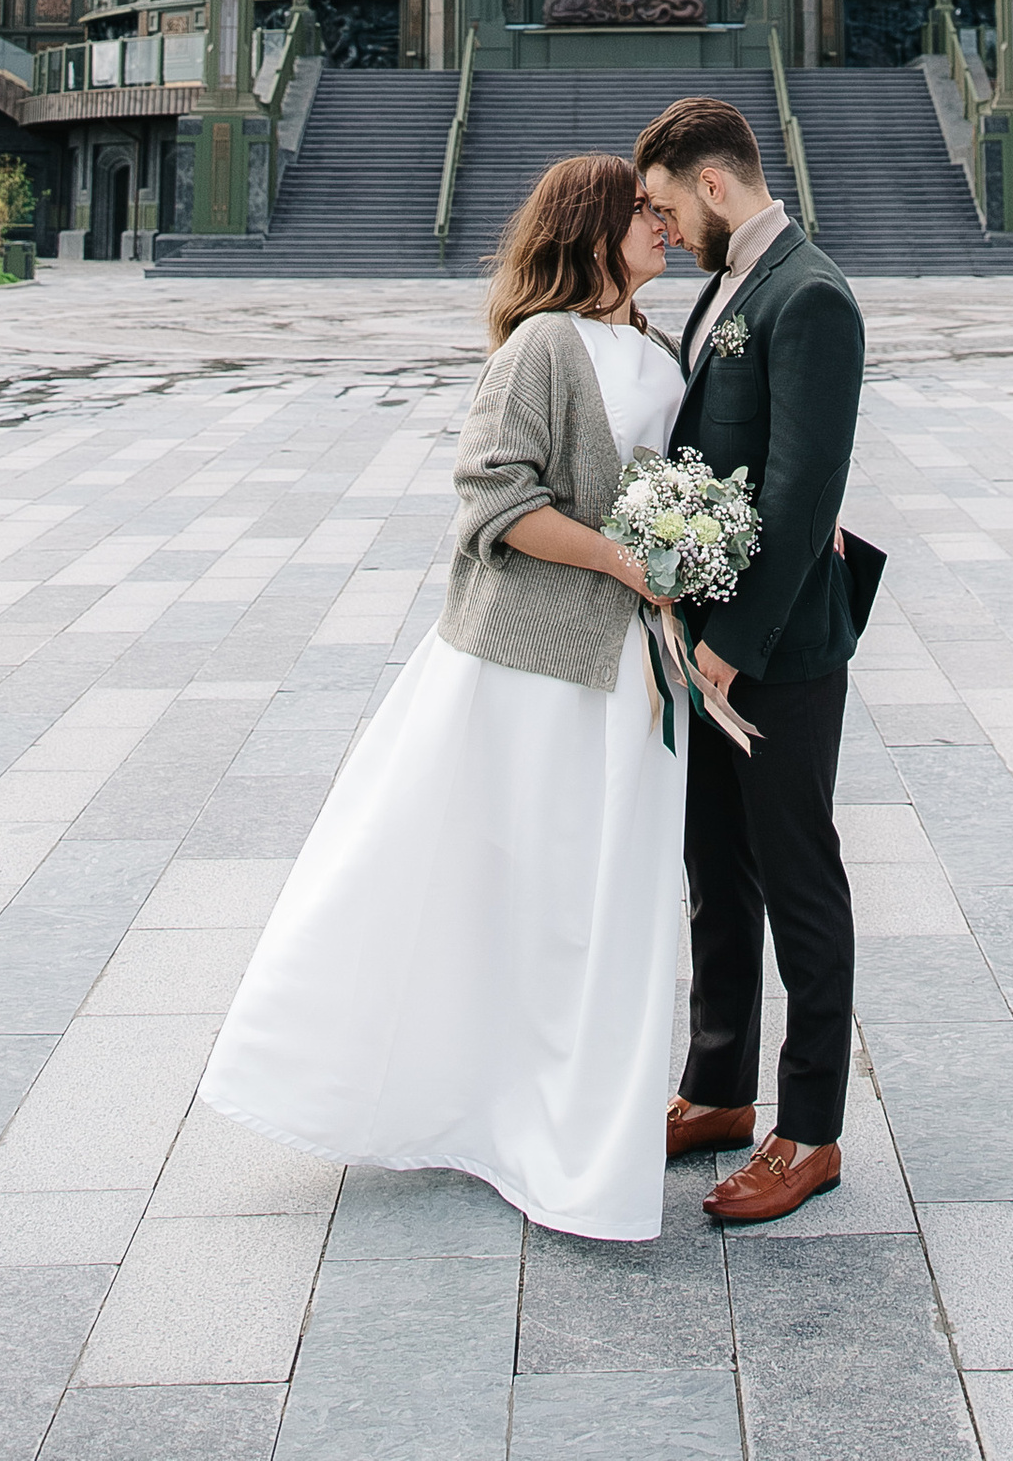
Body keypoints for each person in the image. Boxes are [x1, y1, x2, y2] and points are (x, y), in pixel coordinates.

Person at [199, 154, 685, 1239]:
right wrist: (622, 562)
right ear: (593, 228)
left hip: (617, 670)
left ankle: (559, 1115)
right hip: (522, 665)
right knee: (484, 882)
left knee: (586, 901)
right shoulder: (542, 345)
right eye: (643, 213)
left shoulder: (654, 347)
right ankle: (443, 1096)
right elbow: (493, 498)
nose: (666, 227)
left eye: (665, 208)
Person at [635, 91, 866, 1229]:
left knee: (795, 878)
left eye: (670, 207)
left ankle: (809, 1129)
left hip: (772, 652)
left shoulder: (809, 295)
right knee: (712, 874)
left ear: (714, 186)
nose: (665, 228)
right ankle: (718, 1086)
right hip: (708, 646)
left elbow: (799, 490)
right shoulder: (729, 285)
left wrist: (729, 646)